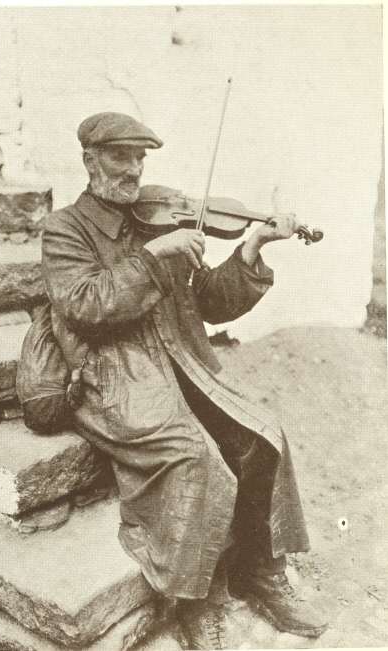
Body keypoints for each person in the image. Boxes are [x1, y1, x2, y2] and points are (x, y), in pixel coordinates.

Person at [41, 112, 328, 650]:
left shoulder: (159, 221)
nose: (133, 170)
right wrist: (152, 257)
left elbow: (209, 304)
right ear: (89, 160)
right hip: (115, 376)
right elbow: (85, 306)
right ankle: (201, 598)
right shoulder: (65, 229)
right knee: (197, 457)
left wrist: (252, 248)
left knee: (261, 435)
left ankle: (261, 573)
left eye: (139, 158)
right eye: (120, 156)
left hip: (182, 362)